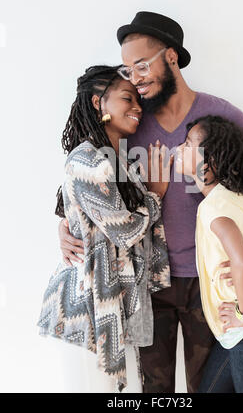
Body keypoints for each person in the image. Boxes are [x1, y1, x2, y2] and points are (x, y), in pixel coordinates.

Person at [58, 12, 243, 393]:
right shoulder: (129, 121)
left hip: (208, 281)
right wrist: (65, 226)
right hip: (146, 284)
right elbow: (87, 184)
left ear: (171, 57)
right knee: (153, 392)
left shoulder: (223, 118)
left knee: (206, 388)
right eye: (128, 70)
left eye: (142, 65)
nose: (135, 78)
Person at [37, 65, 172, 393]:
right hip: (84, 312)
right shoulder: (87, 160)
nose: (137, 107)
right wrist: (155, 195)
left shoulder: (117, 160)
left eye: (138, 100)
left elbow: (79, 214)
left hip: (111, 307)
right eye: (127, 98)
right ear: (98, 102)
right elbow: (125, 231)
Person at [175, 114, 243, 393]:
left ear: (210, 162)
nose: (179, 148)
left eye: (189, 145)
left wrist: (242, 312)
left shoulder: (215, 208)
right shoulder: (233, 199)